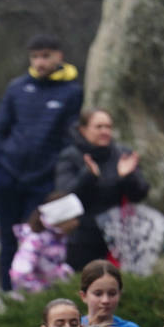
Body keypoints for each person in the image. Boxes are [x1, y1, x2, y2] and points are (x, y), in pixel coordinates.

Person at [0, 34, 84, 290]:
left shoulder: (72, 92)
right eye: (35, 56)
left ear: (58, 56)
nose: (40, 62)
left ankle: (32, 298)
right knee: (8, 239)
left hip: (43, 181)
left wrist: (54, 174)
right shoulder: (17, 88)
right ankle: (6, 294)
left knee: (35, 239)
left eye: (46, 56)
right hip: (8, 175)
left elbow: (69, 137)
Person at [51, 108, 149, 271]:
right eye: (99, 127)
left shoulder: (123, 154)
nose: (105, 131)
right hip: (81, 238)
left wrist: (127, 177)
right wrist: (88, 176)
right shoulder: (70, 156)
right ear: (83, 130)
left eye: (108, 127)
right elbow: (64, 197)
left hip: (119, 236)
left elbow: (140, 193)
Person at [9, 195, 78, 292]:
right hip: (36, 298)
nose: (76, 223)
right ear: (61, 217)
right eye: (73, 218)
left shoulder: (58, 238)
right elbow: (20, 272)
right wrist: (41, 290)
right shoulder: (36, 240)